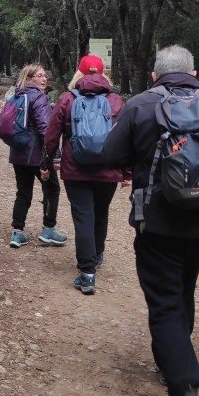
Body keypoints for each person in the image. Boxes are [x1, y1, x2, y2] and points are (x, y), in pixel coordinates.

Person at [103, 45, 199, 396]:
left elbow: (109, 154)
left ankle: (182, 377)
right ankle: (174, 357)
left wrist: (137, 163)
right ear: (194, 73)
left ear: (155, 74)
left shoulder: (140, 105)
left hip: (156, 220)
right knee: (184, 285)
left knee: (164, 297)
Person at [43, 54, 125, 294]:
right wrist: (127, 171)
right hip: (108, 169)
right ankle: (96, 254)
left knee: (83, 217)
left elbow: (51, 135)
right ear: (104, 74)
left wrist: (48, 160)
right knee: (101, 212)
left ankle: (87, 273)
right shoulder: (116, 101)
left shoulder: (67, 98)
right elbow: (127, 137)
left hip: (75, 169)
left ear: (78, 73)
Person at [8, 64, 67, 248]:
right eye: (39, 76)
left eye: (45, 76)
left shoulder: (16, 95)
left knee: (23, 192)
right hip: (38, 155)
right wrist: (55, 155)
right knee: (52, 189)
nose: (44, 79)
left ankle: (17, 233)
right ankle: (48, 229)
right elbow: (45, 129)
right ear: (29, 78)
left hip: (18, 152)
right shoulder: (39, 97)